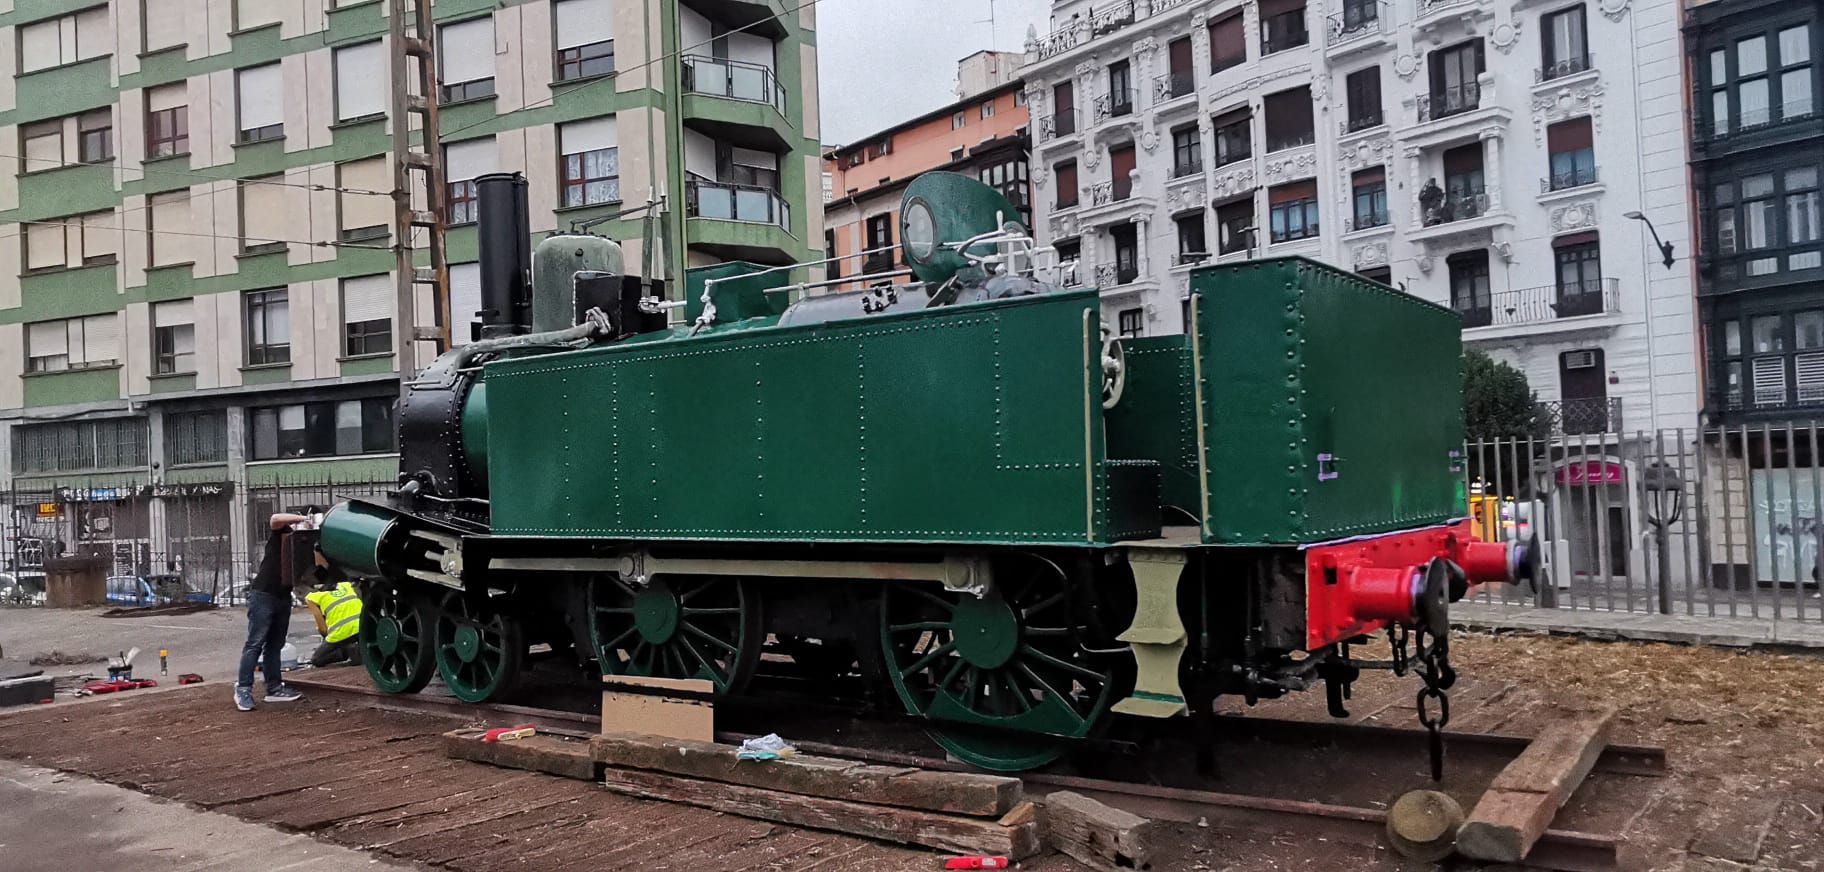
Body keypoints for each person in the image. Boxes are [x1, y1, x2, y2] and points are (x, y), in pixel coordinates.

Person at [235, 512, 312, 711]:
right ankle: (243, 689)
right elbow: (275, 518)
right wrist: (301, 519)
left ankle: (274, 688)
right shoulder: (282, 532)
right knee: (255, 643)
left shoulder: (306, 544)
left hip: (282, 596)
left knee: (274, 645)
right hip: (264, 593)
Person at [303, 574, 363, 667]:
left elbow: (322, 629)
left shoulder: (313, 598)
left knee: (317, 659)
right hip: (363, 627)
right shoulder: (347, 586)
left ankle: (344, 652)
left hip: (341, 634)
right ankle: (353, 649)